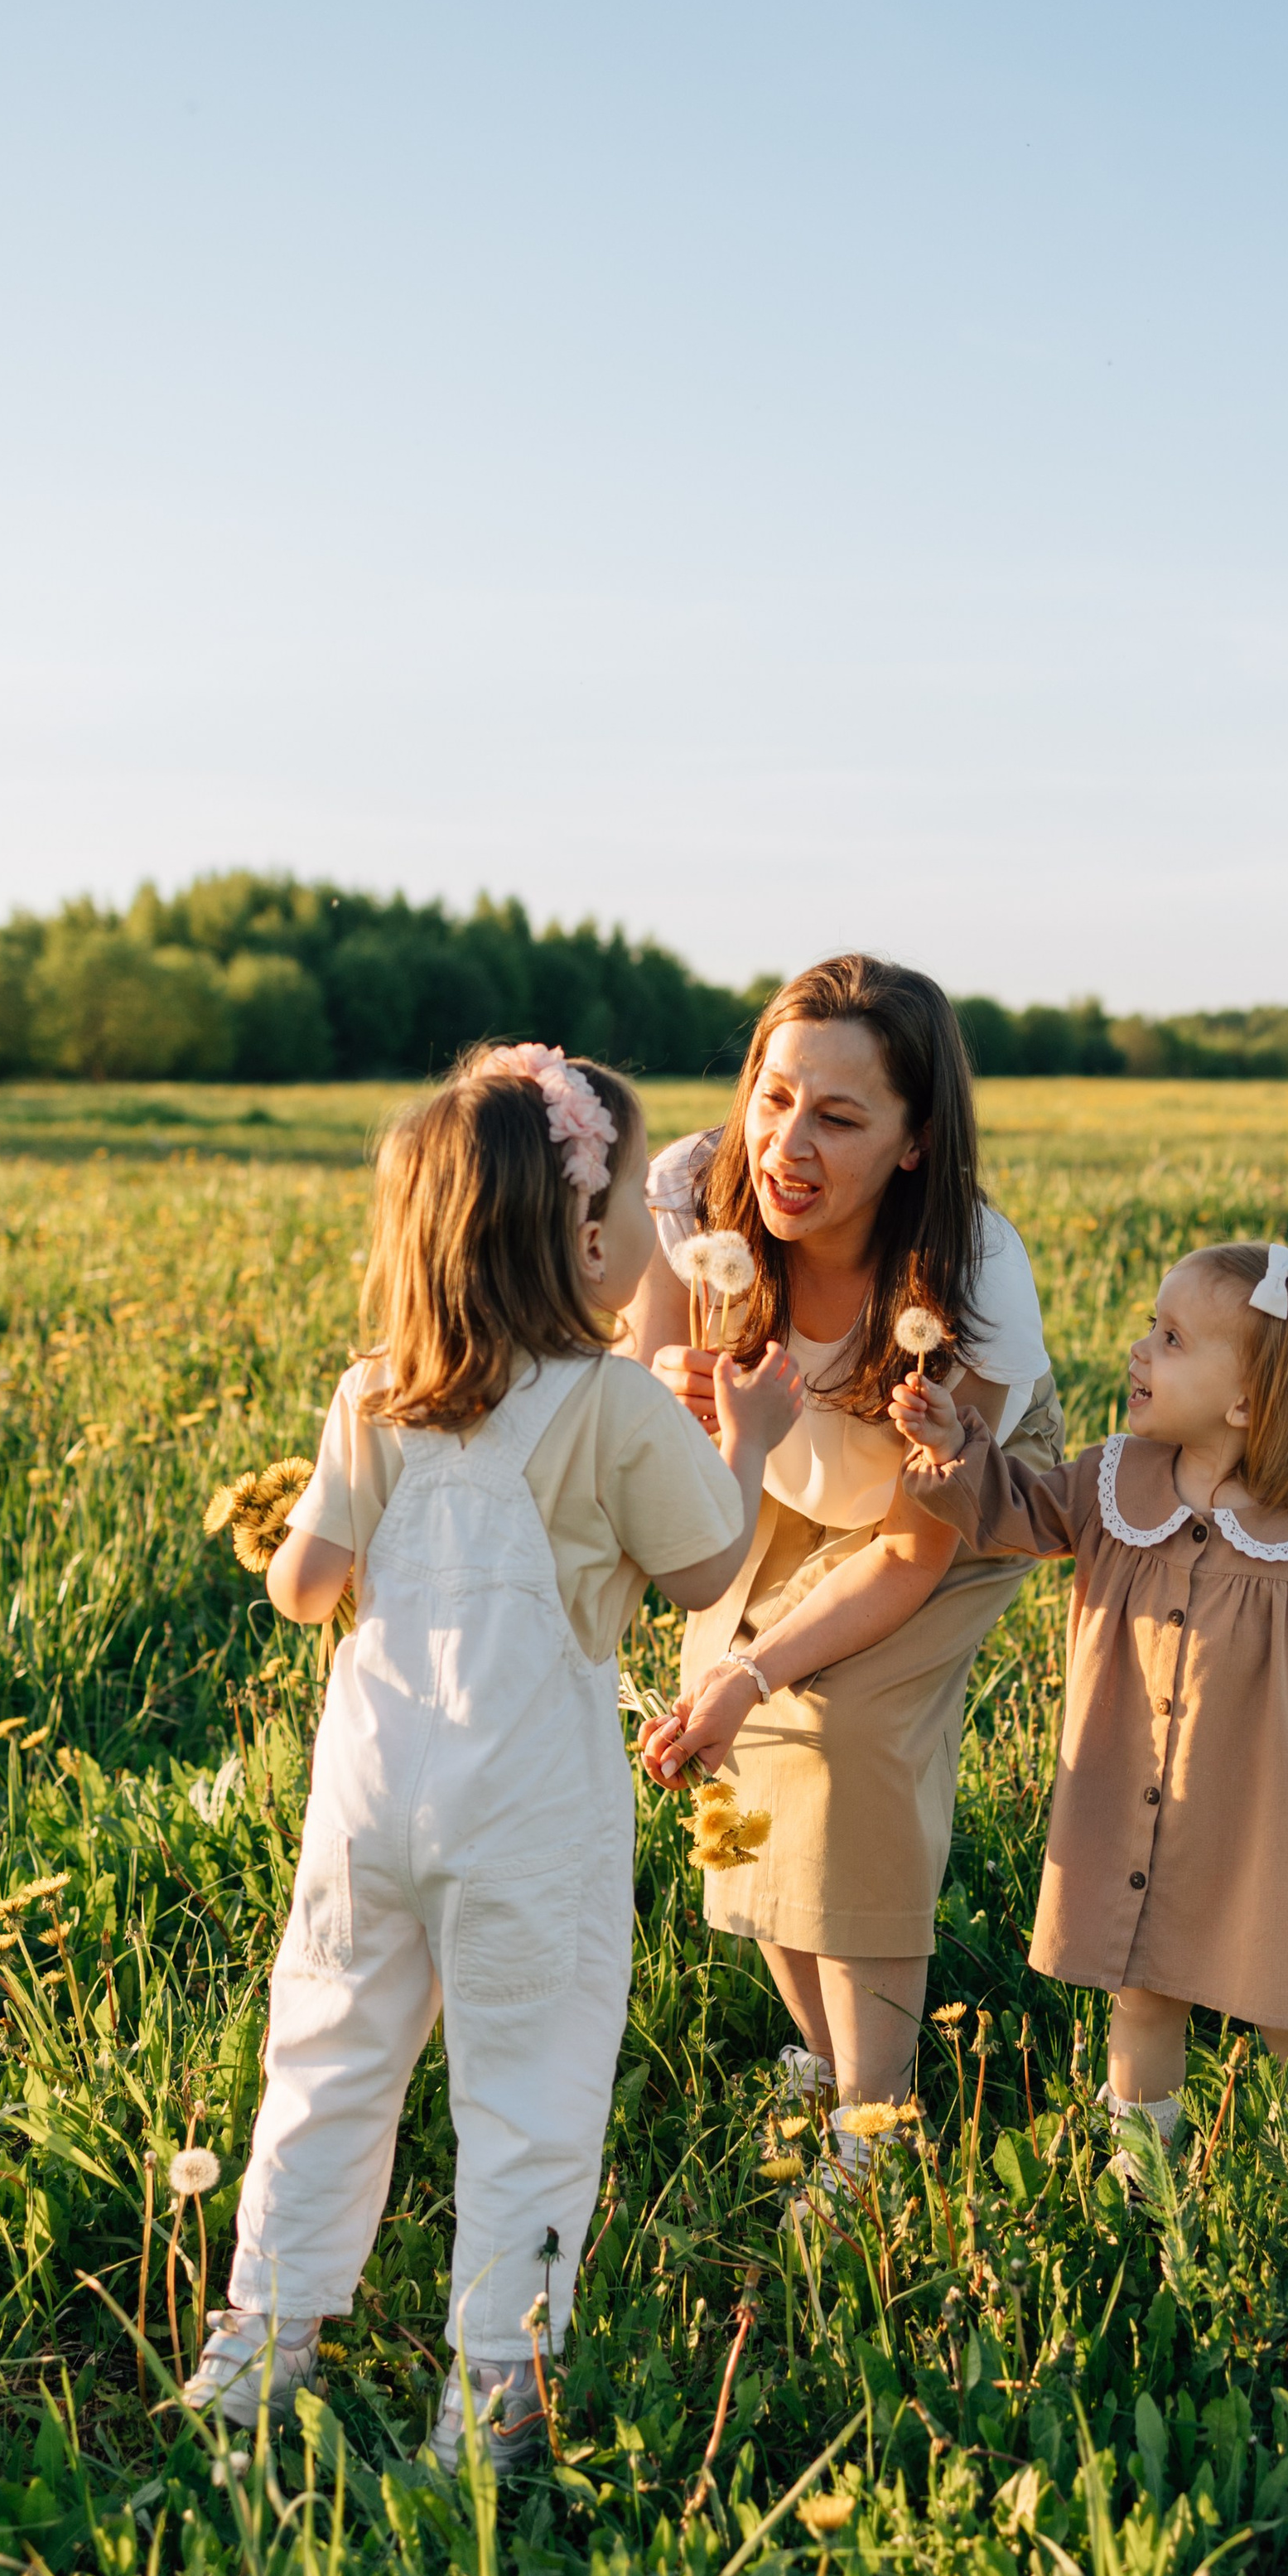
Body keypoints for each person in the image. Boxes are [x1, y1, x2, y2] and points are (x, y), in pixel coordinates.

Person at [181, 1042, 800, 2466]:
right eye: (641, 1214)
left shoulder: (374, 1392)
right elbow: (710, 1577)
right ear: (587, 1243)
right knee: (531, 2082)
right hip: (529, 1816)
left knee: (327, 2057)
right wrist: (752, 1442)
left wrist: (301, 1537)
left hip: (370, 1803)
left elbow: (306, 1591)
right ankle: (493, 2392)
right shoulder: (619, 1404)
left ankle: (258, 2348)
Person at [625, 955, 1061, 2161]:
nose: (785, 1146)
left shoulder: (967, 1289)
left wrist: (762, 1670)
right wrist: (670, 1415)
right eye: (772, 1097)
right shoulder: (688, 1203)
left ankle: (878, 2124)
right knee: (730, 1716)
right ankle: (825, 2059)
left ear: (915, 1143)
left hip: (948, 1492)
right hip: (777, 1457)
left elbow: (909, 1557)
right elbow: (632, 1449)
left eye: (839, 1117)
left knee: (843, 1724)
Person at [891, 1237, 1288, 2162]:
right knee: (1139, 1988)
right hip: (1135, 1795)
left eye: (1171, 1338)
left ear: (1248, 1401)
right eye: (1150, 1325)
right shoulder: (1113, 1480)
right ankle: (1143, 2158)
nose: (1139, 1349)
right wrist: (955, 1448)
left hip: (1265, 1811)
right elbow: (1016, 1513)